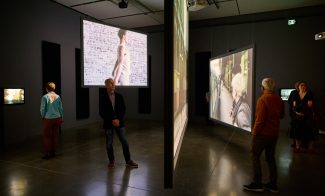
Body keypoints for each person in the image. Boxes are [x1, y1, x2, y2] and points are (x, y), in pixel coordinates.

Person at [243, 78, 284, 193]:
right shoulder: (279, 99)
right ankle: (273, 184)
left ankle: (257, 183)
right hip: (274, 134)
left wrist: (254, 132)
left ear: (263, 88)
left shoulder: (262, 99)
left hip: (262, 135)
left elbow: (260, 120)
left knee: (255, 156)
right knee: (270, 158)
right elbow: (282, 115)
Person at [99, 78, 138, 168]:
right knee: (109, 144)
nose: (113, 85)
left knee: (124, 142)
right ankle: (111, 161)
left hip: (119, 123)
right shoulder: (102, 97)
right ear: (106, 85)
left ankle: (128, 160)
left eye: (114, 83)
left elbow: (122, 109)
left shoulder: (119, 96)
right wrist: (112, 120)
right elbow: (102, 112)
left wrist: (118, 120)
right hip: (109, 123)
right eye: (111, 83)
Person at [40, 82, 63, 159]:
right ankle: (53, 152)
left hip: (48, 118)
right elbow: (60, 108)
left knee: (46, 136)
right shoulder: (58, 96)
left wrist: (42, 116)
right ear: (54, 88)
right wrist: (61, 117)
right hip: (57, 118)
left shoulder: (45, 97)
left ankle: (47, 153)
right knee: (55, 135)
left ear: (47, 88)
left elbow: (43, 109)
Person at [292, 81, 314, 153]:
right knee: (297, 132)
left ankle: (310, 148)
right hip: (297, 116)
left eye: (304, 85)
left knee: (309, 132)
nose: (303, 87)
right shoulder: (295, 94)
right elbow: (294, 106)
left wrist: (300, 107)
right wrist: (297, 111)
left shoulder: (309, 94)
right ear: (298, 87)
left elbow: (310, 105)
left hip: (307, 116)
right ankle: (297, 147)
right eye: (301, 85)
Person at [288, 81, 299, 148]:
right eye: (297, 85)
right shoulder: (293, 92)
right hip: (294, 114)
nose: (298, 87)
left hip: (302, 114)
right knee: (294, 128)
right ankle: (295, 143)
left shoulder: (305, 93)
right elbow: (290, 102)